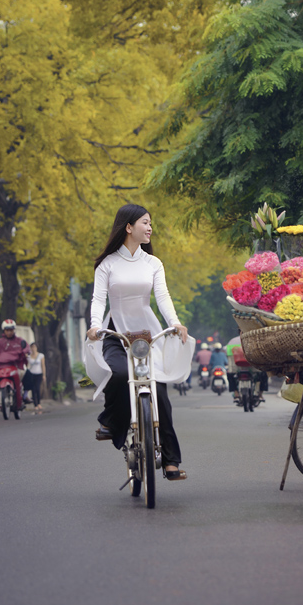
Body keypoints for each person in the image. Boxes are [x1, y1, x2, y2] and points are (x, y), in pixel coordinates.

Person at [85, 203, 193, 481]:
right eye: (145, 222)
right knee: (120, 374)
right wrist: (95, 326)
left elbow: (163, 297)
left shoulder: (153, 263)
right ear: (129, 227)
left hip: (146, 333)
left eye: (151, 223)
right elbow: (98, 299)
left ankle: (171, 461)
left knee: (159, 392)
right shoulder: (107, 264)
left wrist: (175, 323)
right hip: (116, 333)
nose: (150, 227)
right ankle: (111, 420)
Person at [0, 319, 29, 412]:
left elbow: (26, 348)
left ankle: (25, 395)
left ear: (14, 330)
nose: (9, 332)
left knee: (28, 374)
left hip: (16, 366)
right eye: (7, 330)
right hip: (0, 367)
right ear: (4, 331)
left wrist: (26, 353)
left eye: (11, 330)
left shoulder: (20, 341)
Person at [25, 342, 46, 412]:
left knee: (37, 388)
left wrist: (44, 375)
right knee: (33, 389)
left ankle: (39, 403)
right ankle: (35, 405)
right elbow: (27, 365)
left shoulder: (41, 356)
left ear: (37, 348)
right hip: (31, 374)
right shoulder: (28, 357)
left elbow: (43, 365)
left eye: (34, 347)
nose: (33, 348)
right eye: (32, 347)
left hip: (39, 374)